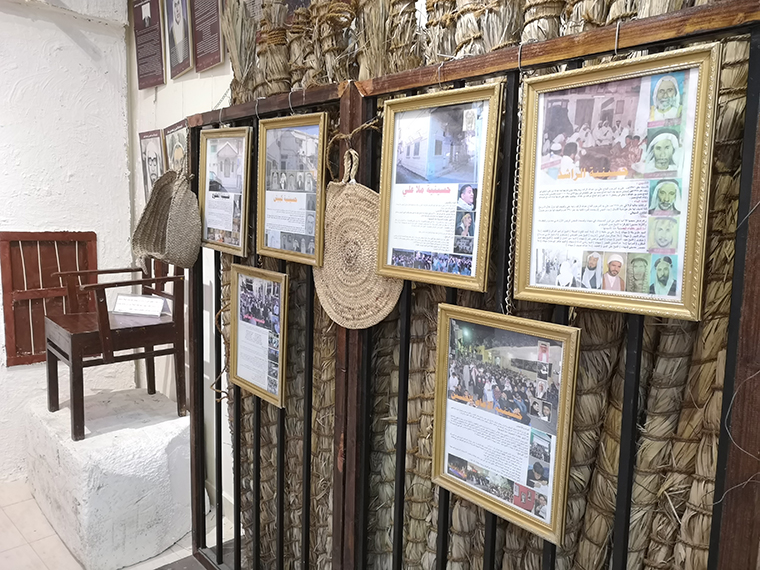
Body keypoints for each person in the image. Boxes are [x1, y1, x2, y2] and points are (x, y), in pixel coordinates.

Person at [168, 0, 189, 68]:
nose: (177, 9)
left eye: (178, 4)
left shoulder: (187, 26)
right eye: (175, 5)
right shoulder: (171, 33)